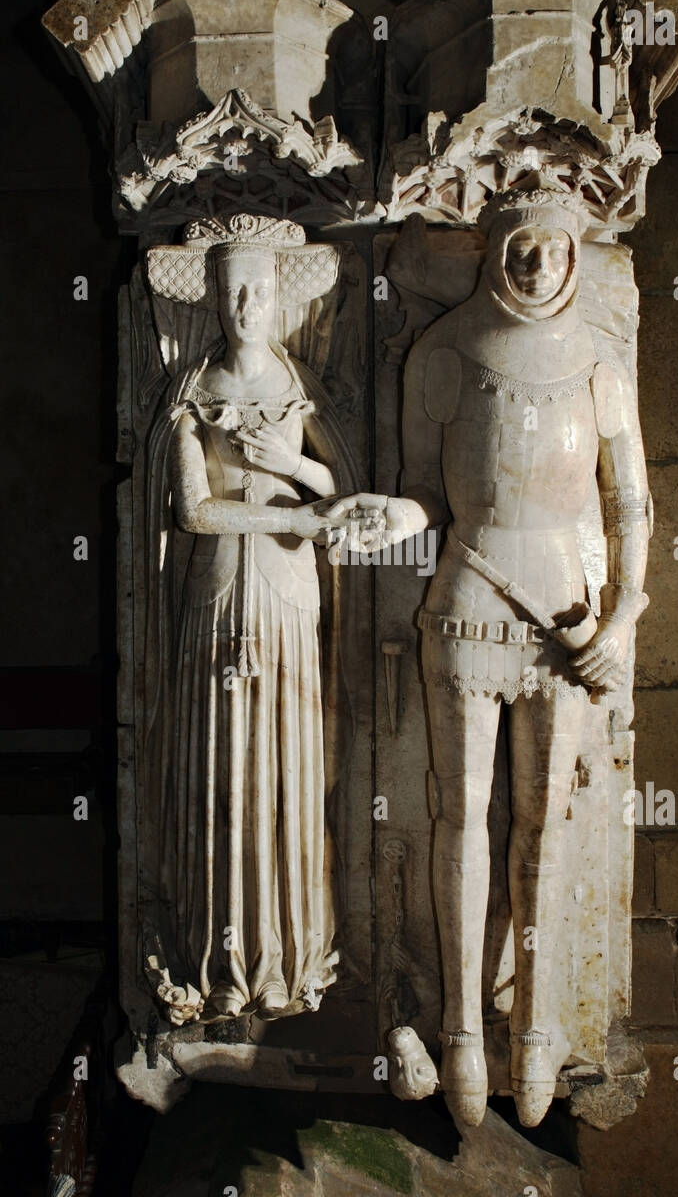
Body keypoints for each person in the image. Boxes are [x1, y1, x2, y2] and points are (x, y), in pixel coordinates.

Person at [329, 180, 651, 1126]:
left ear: (575, 255)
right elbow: (427, 493)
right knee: (458, 820)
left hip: (569, 623)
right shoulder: (441, 351)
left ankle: (540, 1024)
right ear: (492, 249)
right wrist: (395, 511)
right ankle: (464, 1028)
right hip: (469, 600)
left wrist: (624, 619)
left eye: (551, 246)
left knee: (545, 827)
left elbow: (630, 504)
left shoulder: (600, 359)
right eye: (518, 243)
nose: (535, 262)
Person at [143, 216, 352, 1024]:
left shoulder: (304, 389)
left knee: (289, 772)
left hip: (292, 605)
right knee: (221, 769)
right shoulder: (190, 396)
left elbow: (341, 491)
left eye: (261, 289)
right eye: (232, 289)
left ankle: (286, 963)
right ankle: (219, 963)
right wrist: (286, 519)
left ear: (278, 298)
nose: (246, 304)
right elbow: (193, 513)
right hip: (219, 597)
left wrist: (291, 466)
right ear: (213, 300)